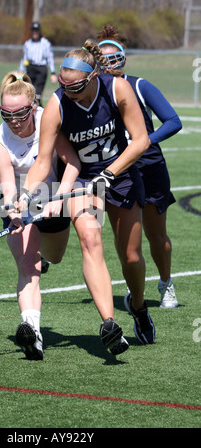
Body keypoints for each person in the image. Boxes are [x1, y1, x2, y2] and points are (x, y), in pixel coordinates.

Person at [19, 39, 155, 350]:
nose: (69, 93)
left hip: (120, 175)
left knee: (131, 257)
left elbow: (141, 141)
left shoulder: (117, 88)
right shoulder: (56, 105)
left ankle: (137, 306)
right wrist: (27, 192)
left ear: (93, 77)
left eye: (75, 88)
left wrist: (109, 174)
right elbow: (43, 160)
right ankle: (109, 323)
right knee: (90, 240)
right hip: (83, 180)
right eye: (64, 87)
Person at [0, 71, 79, 360]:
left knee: (52, 258)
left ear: (33, 107)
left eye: (20, 114)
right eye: (6, 114)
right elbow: (7, 185)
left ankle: (46, 260)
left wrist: (62, 197)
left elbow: (72, 161)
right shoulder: (1, 141)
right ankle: (33, 332)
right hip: (22, 201)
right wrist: (13, 210)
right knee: (27, 267)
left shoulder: (48, 120)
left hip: (54, 197)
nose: (14, 121)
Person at [97, 24, 182, 309]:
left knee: (156, 234)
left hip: (149, 167)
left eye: (115, 58)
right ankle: (137, 294)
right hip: (117, 172)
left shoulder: (139, 85)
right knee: (124, 244)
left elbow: (173, 121)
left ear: (123, 59)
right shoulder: (94, 92)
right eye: (104, 59)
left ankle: (166, 282)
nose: (110, 64)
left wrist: (145, 141)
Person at [19, 22, 57, 106]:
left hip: (41, 69)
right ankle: (30, 114)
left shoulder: (45, 43)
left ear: (39, 31)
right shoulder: (28, 44)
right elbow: (24, 59)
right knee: (29, 94)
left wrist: (53, 73)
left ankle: (39, 114)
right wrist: (20, 72)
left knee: (37, 95)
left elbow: (50, 58)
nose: (34, 32)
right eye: (33, 30)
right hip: (31, 68)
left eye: (36, 30)